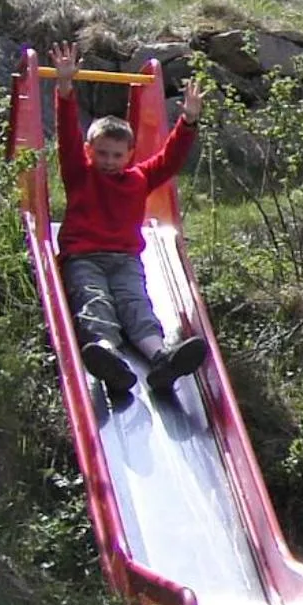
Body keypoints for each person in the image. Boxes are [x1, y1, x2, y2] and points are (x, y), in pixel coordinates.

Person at [47, 40, 209, 404]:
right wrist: (65, 88)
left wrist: (188, 121)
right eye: (101, 153)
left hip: (125, 259)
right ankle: (109, 356)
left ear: (129, 155)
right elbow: (68, 138)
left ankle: (160, 358)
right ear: (90, 152)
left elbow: (169, 159)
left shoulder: (138, 178)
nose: (108, 160)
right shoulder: (80, 173)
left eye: (116, 155)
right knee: (94, 300)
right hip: (84, 257)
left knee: (136, 303)